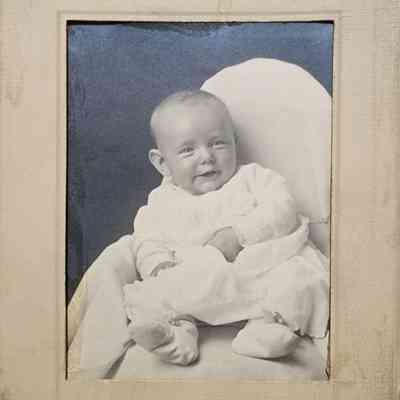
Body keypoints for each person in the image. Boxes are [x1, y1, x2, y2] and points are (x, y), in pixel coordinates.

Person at [123, 90, 329, 366]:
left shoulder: (253, 178)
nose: (206, 157)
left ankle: (267, 327)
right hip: (200, 276)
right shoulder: (160, 203)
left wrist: (239, 235)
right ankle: (176, 333)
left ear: (235, 143)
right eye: (188, 150)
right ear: (162, 163)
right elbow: (146, 240)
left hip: (262, 268)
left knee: (301, 277)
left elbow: (283, 208)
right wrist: (159, 266)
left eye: (217, 143)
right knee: (155, 292)